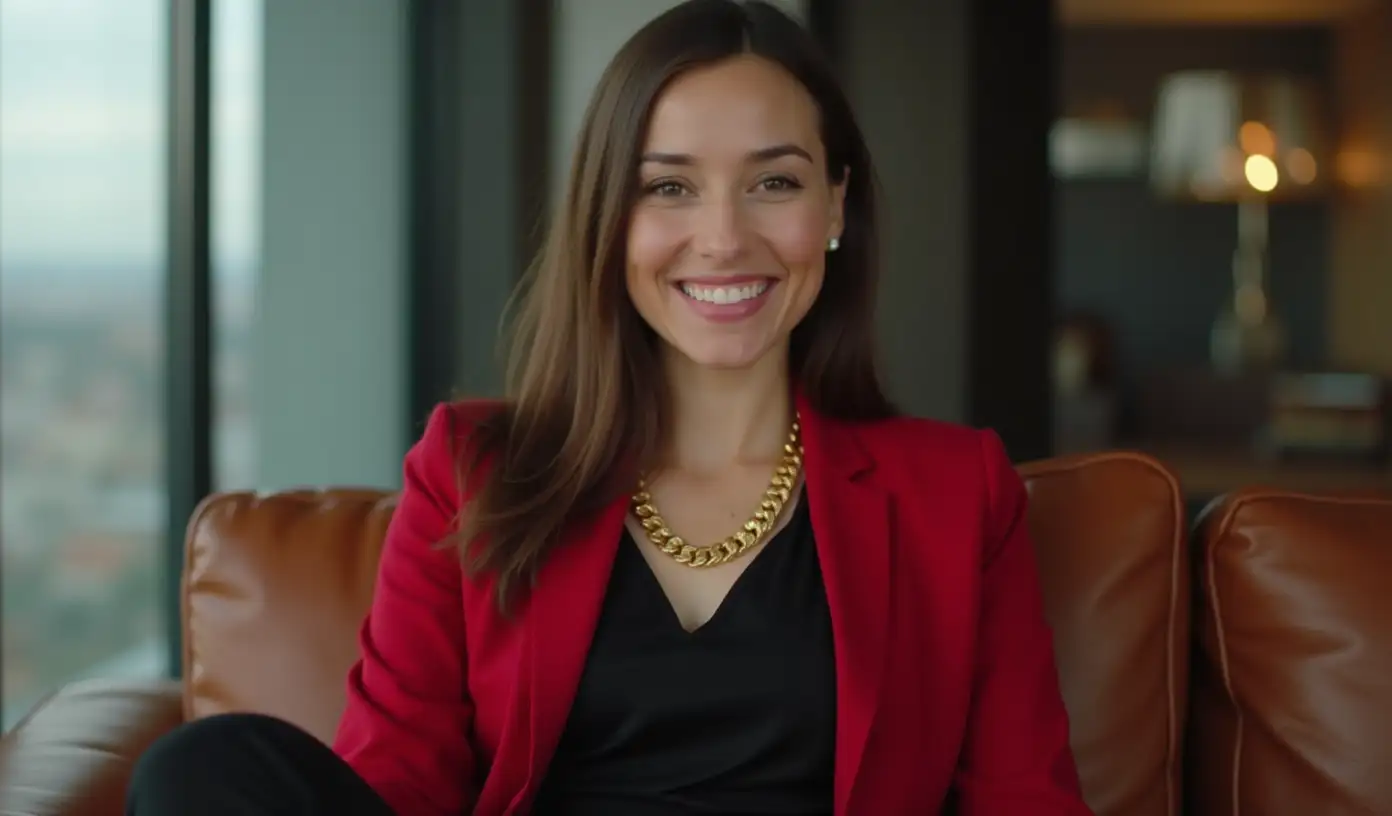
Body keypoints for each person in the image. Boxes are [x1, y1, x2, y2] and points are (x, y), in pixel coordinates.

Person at [126, 1, 1093, 814]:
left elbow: (1026, 800)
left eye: (775, 182)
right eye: (668, 187)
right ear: (609, 218)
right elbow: (398, 781)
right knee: (205, 770)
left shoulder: (957, 493)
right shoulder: (473, 469)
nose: (722, 237)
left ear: (835, 207)